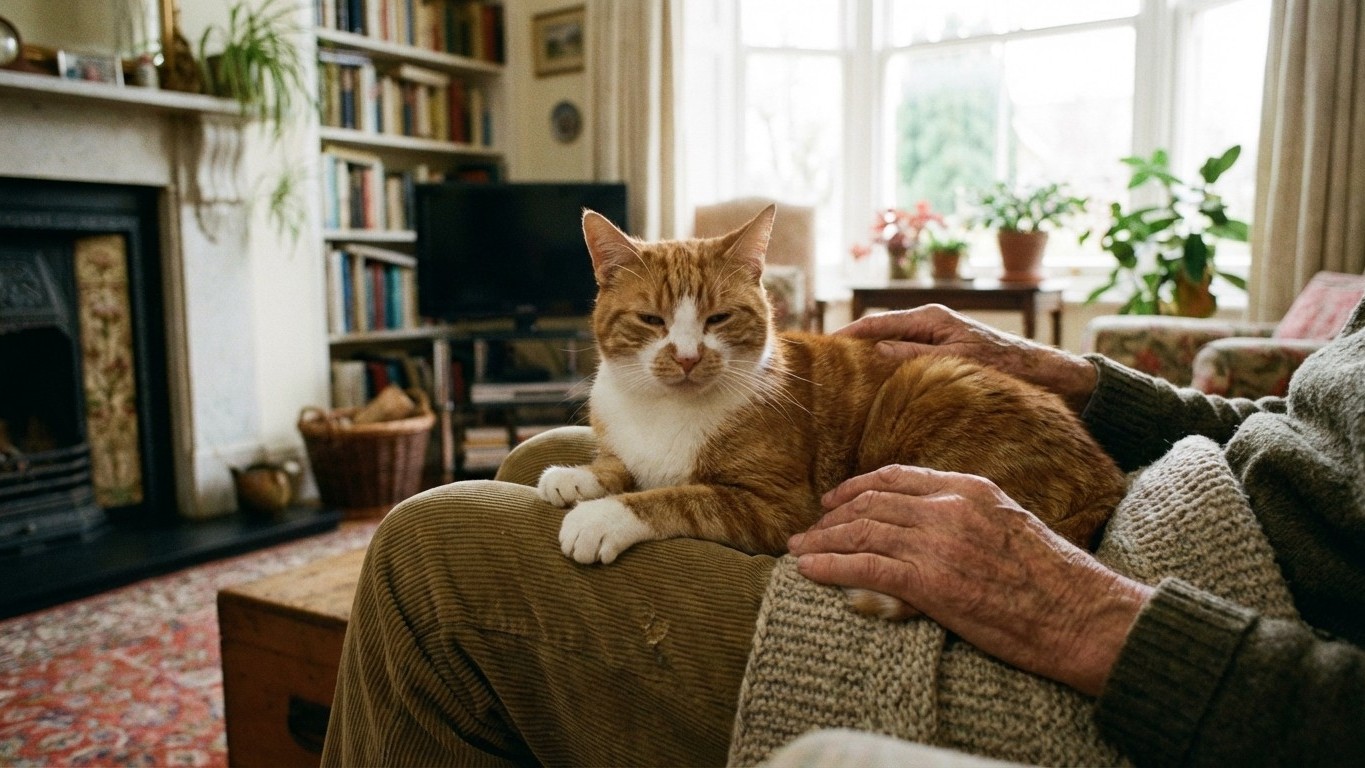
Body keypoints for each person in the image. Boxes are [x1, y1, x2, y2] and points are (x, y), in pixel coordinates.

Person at [321, 297, 1365, 767]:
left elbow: (771, 507)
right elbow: (1298, 434)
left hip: (1179, 623)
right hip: (1167, 489)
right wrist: (1089, 385)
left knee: (435, 555)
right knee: (535, 463)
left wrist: (1102, 621)